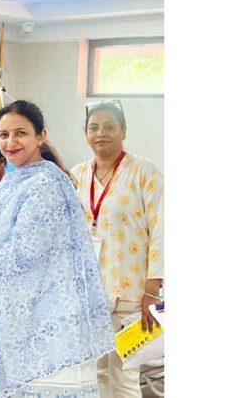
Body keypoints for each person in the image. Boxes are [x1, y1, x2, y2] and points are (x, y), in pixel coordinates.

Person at [0, 100, 114, 398]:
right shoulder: (15, 181)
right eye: (3, 135)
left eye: (20, 134)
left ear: (41, 135)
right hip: (30, 313)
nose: (10, 142)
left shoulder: (45, 185)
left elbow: (22, 253)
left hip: (54, 321)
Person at [71, 99, 164, 398]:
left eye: (109, 126)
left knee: (124, 373)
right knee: (98, 371)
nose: (101, 133)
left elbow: (164, 231)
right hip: (91, 292)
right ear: (85, 133)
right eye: (94, 127)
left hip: (132, 292)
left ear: (123, 130)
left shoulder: (145, 172)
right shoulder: (78, 175)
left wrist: (152, 291)